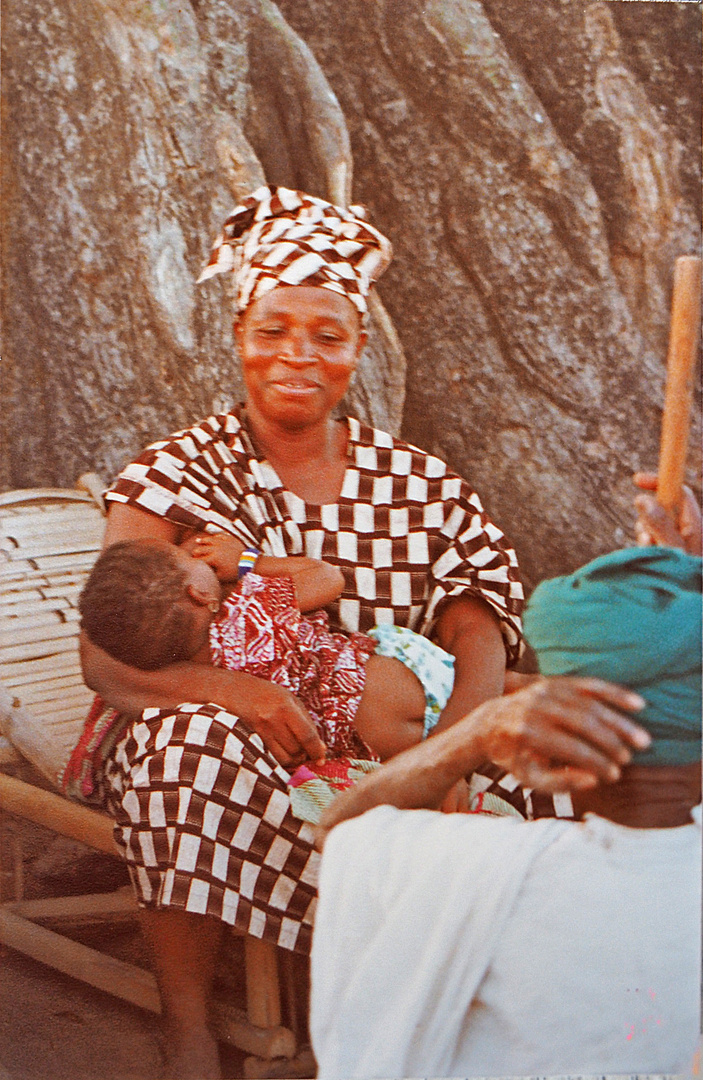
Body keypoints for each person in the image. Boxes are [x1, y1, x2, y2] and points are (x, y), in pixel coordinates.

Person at [78, 184, 650, 1078]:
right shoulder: (178, 470)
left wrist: (460, 745)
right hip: (252, 745)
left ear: (358, 349)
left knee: (596, 732)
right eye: (271, 331)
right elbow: (105, 655)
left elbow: (477, 622)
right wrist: (240, 691)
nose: (296, 356)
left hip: (410, 722)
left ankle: (544, 993)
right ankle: (185, 1022)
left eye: (327, 335)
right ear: (237, 338)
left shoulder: (413, 475)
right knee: (178, 747)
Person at [309, 481, 702, 1078]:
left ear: (558, 736)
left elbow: (342, 828)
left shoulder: (493, 873)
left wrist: (474, 733)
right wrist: (685, 595)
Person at [77, 533, 455, 762]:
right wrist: (245, 562)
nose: (197, 553)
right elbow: (327, 578)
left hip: (367, 744)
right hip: (408, 676)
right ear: (198, 592)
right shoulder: (251, 607)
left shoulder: (189, 682)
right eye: (186, 557)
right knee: (503, 690)